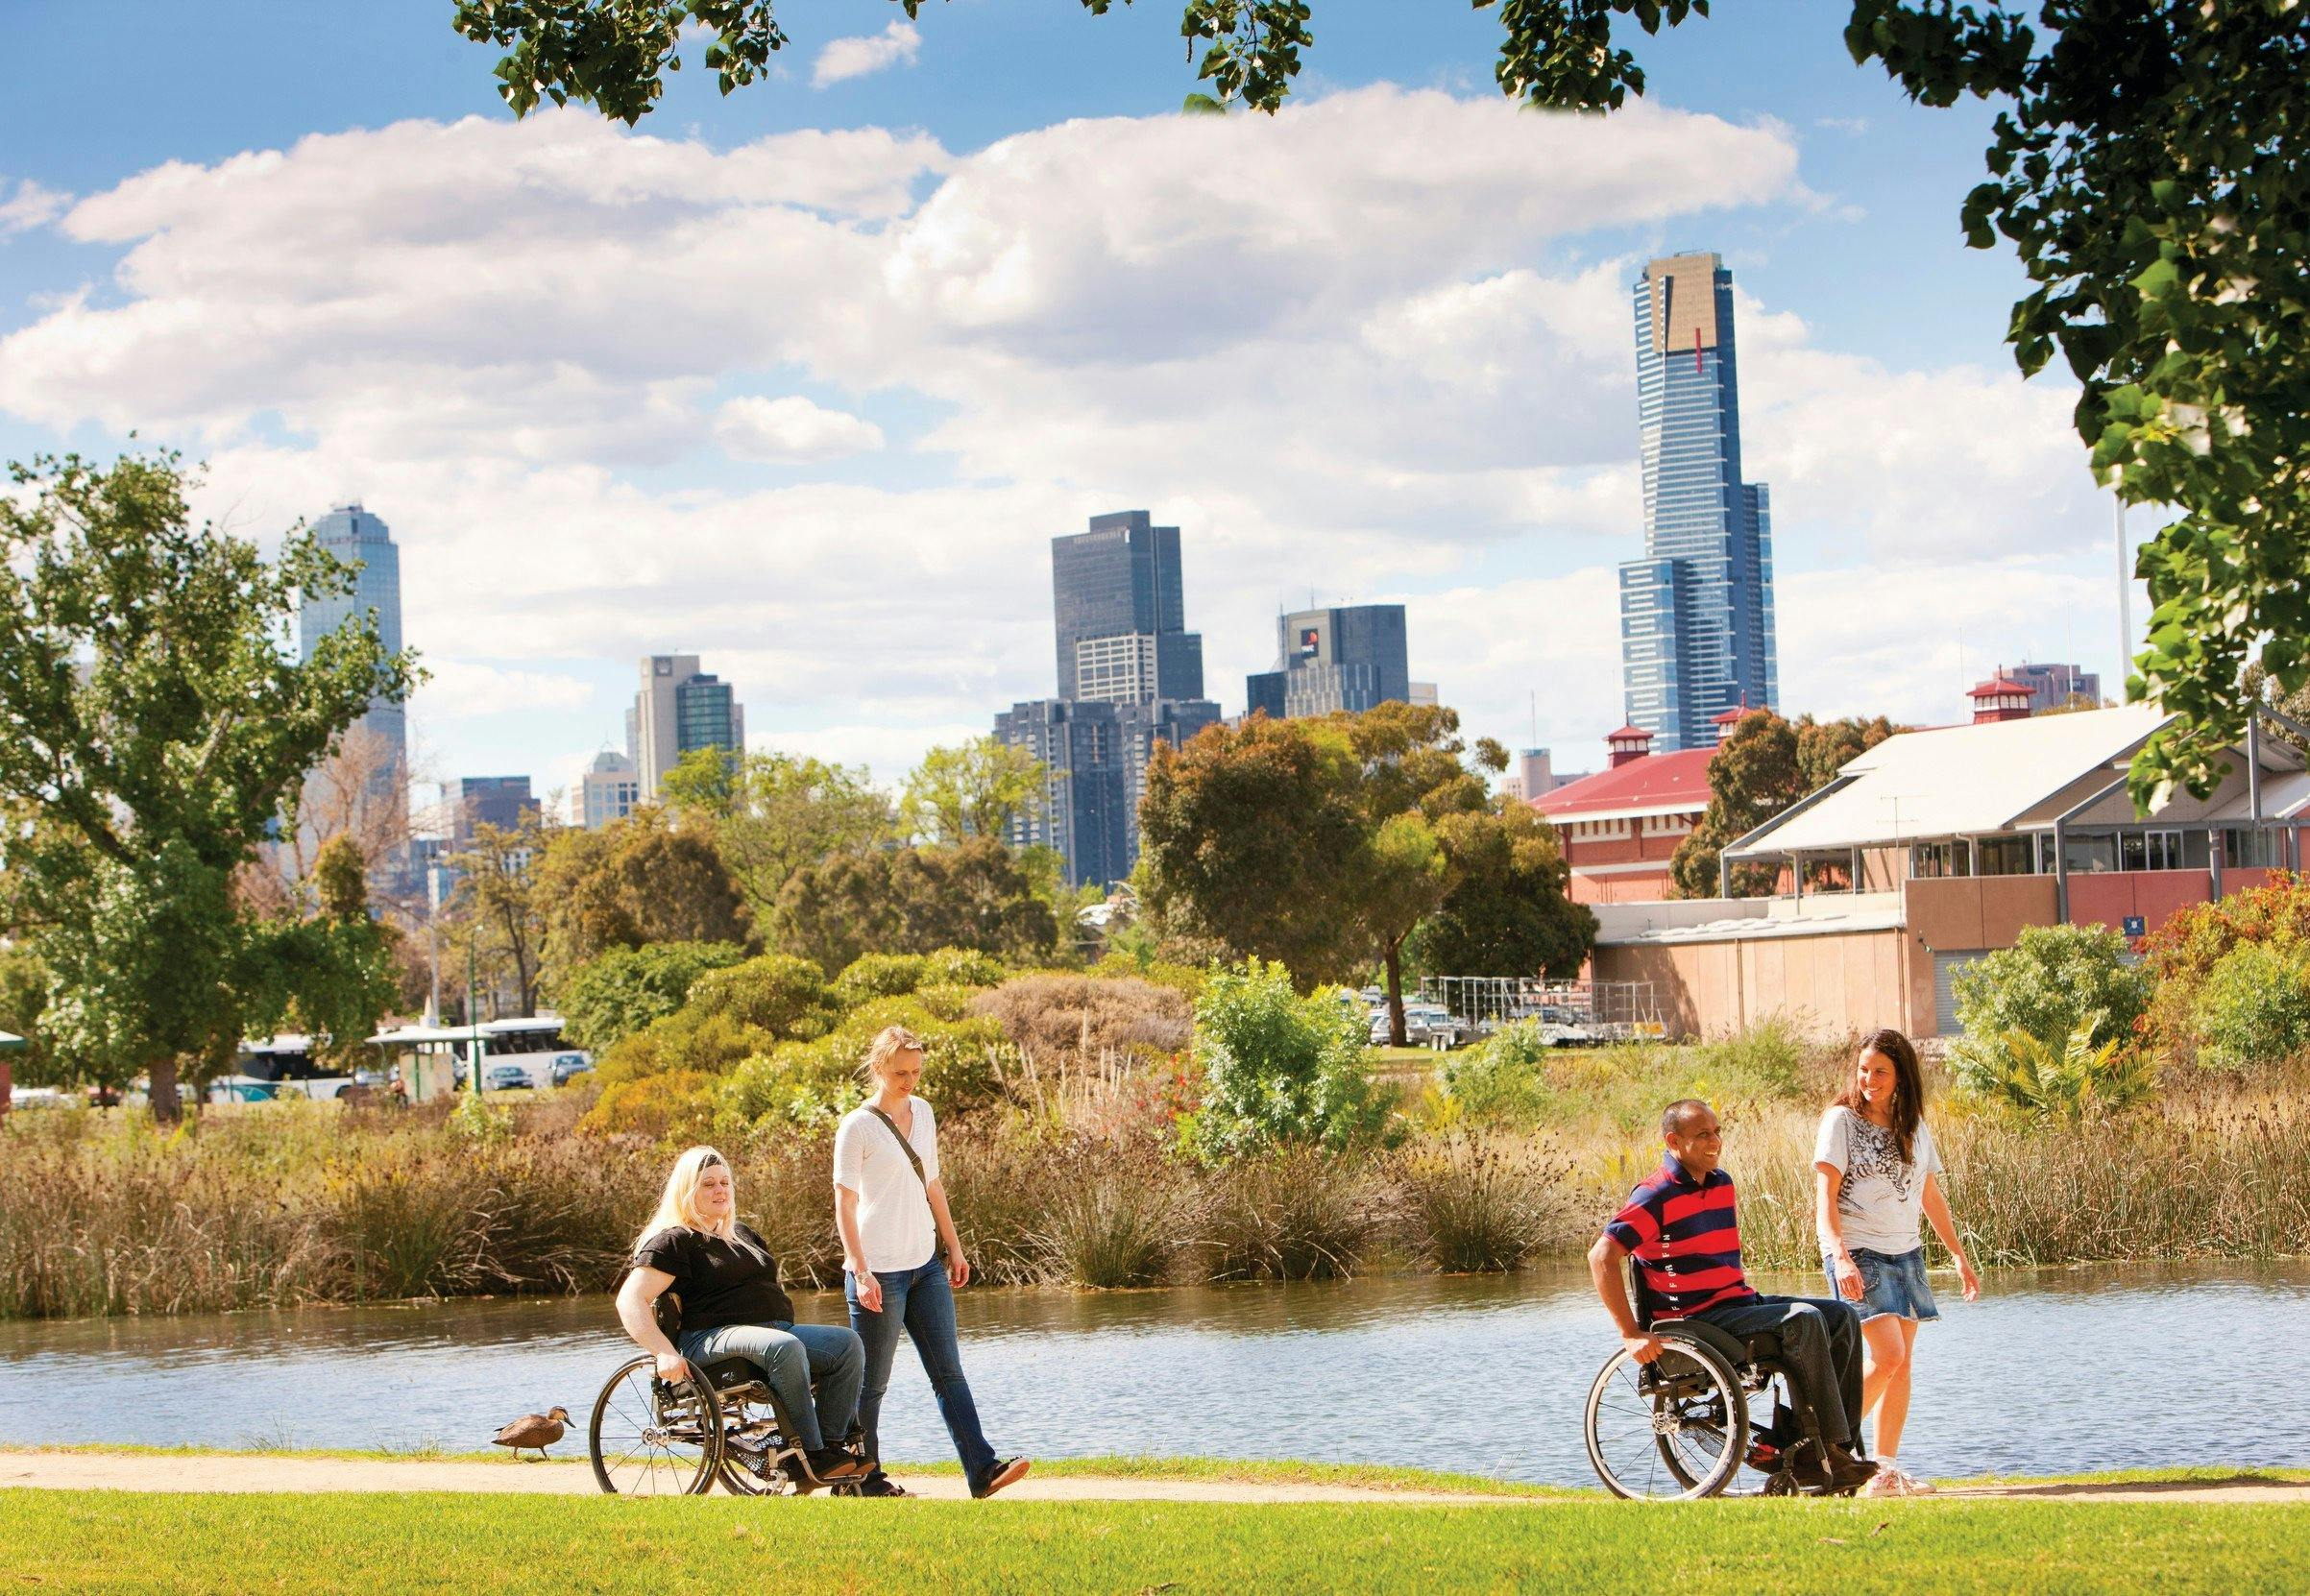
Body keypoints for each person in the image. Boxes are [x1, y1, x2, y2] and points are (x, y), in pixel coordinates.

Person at [1589, 1098, 1880, 1494]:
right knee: (1803, 1320)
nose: (1715, 1141)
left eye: (1717, 1132)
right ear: (1673, 1141)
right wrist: (1630, 1333)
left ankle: (1836, 1448)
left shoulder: (1721, 1183)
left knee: (1841, 1316)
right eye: (1702, 1134)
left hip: (1737, 1305)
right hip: (1696, 1319)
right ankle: (1820, 1452)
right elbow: (1601, 1257)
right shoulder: (1654, 1194)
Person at [835, 1025, 1030, 1501]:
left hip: (924, 1266)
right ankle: (862, 1481)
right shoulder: (857, 1126)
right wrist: (861, 1270)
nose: (909, 1081)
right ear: (878, 1068)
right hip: (878, 1273)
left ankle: (982, 1471)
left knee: (949, 1373)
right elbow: (844, 1201)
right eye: (900, 1072)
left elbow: (933, 1184)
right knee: (871, 1386)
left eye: (916, 1072)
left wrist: (954, 1247)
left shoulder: (922, 1112)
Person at [616, 1145, 867, 1487]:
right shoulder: (675, 1241)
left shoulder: (743, 1235)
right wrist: (663, 1352)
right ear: (687, 1191)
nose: (720, 1190)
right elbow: (630, 1300)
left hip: (774, 1332)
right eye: (708, 1184)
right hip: (710, 1337)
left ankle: (831, 1448)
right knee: (783, 1347)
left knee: (847, 1344)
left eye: (724, 1182)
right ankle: (810, 1453)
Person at [1815, 1027, 1981, 1498]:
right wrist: (1839, 1255)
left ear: (1901, 1075)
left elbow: (1930, 1195)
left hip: (1906, 1252)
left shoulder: (1914, 1126)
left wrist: (1958, 1254)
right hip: (1859, 1252)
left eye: (1880, 1072)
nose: (1869, 1080)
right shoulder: (1841, 1122)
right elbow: (1824, 1198)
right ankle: (1824, 1448)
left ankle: (1883, 1472)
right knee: (1888, 1357)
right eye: (1864, 1070)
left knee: (1902, 1366)